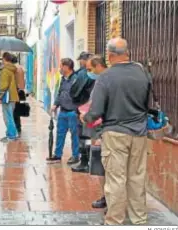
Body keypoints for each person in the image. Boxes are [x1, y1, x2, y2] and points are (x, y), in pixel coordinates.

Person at [80, 38, 150, 225]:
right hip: (140, 133)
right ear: (127, 53)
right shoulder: (143, 72)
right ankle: (139, 219)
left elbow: (96, 111)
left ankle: (115, 220)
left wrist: (85, 118)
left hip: (115, 133)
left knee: (115, 179)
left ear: (110, 56)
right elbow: (147, 104)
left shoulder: (106, 77)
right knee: (137, 177)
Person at [81, 55, 108, 211]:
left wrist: (87, 115)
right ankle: (106, 196)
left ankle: (108, 199)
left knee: (105, 167)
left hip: (103, 129)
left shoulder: (105, 80)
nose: (88, 72)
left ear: (98, 66)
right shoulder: (99, 80)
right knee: (102, 167)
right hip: (99, 127)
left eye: (90, 69)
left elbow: (100, 107)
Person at [47, 58, 79, 165]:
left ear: (66, 67)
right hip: (63, 111)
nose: (59, 68)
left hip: (73, 112)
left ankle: (75, 156)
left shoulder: (76, 79)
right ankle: (57, 155)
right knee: (60, 134)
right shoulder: (63, 79)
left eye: (61, 66)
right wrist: (55, 104)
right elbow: (60, 93)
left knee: (74, 135)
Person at [0, 52, 19, 142]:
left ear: (4, 59)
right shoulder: (14, 69)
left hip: (7, 97)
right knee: (11, 116)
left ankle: (11, 136)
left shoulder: (5, 70)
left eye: (2, 59)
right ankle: (14, 133)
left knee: (7, 117)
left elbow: (4, 85)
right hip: (13, 96)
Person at [11, 55, 26, 133]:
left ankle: (17, 128)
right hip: (20, 91)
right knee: (17, 110)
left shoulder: (15, 69)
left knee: (14, 111)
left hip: (15, 92)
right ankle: (18, 127)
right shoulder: (21, 68)